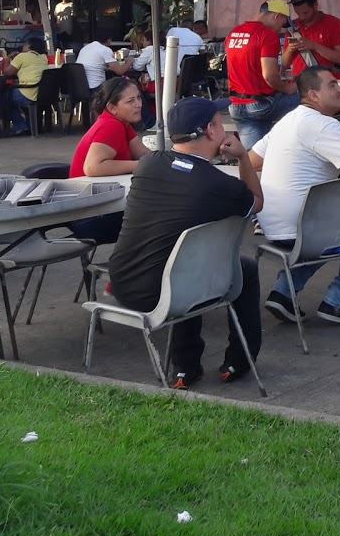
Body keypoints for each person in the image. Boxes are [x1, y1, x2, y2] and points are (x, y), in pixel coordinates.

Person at [107, 97, 264, 388]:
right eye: (220, 121)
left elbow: (183, 175)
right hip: (176, 291)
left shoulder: (149, 164)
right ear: (211, 130)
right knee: (243, 269)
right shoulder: (222, 186)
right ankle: (240, 360)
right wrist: (243, 157)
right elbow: (257, 203)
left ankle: (186, 367)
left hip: (125, 283)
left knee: (178, 260)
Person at [255, 66, 340, 325]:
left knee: (330, 228)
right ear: (313, 95)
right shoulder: (322, 125)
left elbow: (251, 161)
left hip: (272, 227)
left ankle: (283, 292)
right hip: (304, 231)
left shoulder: (288, 120)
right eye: (332, 85)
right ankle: (338, 302)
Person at [67, 76, 152, 245]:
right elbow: (93, 167)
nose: (138, 104)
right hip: (89, 217)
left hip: (94, 208)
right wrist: (143, 166)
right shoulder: (111, 126)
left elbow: (144, 154)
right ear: (112, 107)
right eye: (130, 101)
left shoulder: (121, 123)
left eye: (138, 98)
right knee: (162, 216)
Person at [225, 0, 300, 147]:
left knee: (254, 159)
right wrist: (288, 88)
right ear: (276, 16)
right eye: (283, 23)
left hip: (236, 105)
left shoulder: (234, 33)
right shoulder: (267, 35)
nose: (281, 29)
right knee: (310, 95)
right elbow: (270, 76)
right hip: (261, 104)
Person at [284, 0, 340, 76]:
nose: (301, 17)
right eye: (298, 13)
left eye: (305, 13)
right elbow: (284, 65)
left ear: (315, 5)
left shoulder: (333, 23)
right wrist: (289, 50)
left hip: (325, 82)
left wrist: (314, 46)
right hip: (299, 83)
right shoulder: (292, 27)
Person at [7, 36, 48, 134]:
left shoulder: (22, 56)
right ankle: (29, 125)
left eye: (25, 45)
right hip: (42, 93)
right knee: (17, 96)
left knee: (4, 98)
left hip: (28, 91)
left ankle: (20, 126)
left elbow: (7, 73)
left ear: (29, 47)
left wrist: (8, 58)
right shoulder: (43, 57)